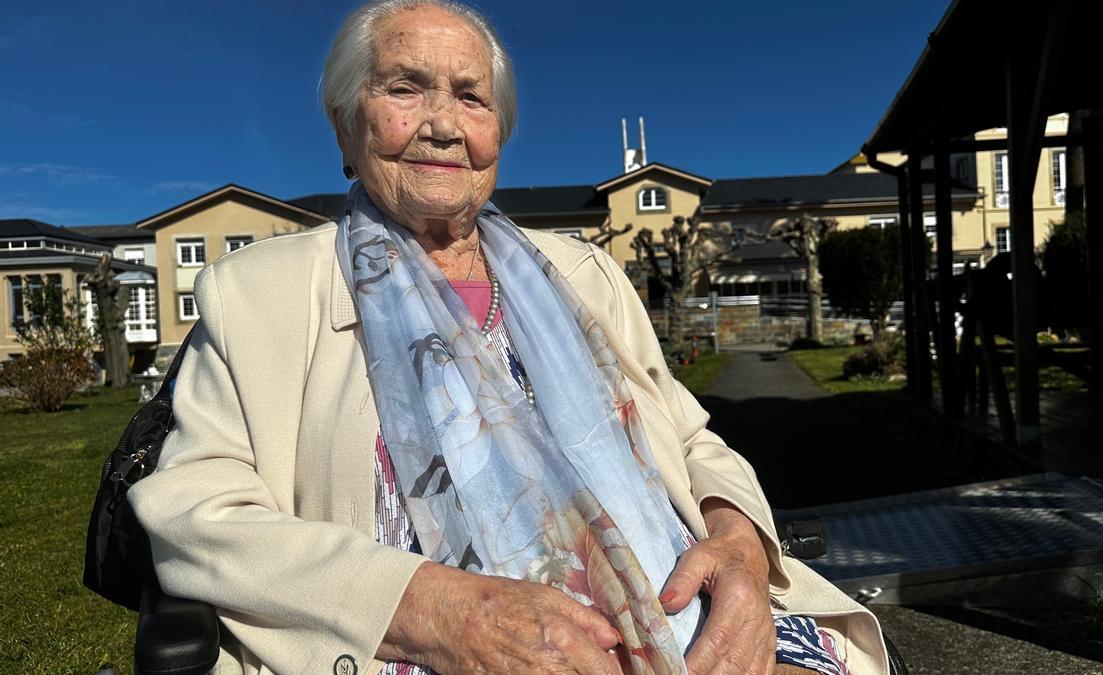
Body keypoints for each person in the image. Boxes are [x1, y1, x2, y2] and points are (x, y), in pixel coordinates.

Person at [128, 2, 887, 674]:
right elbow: (198, 509)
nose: (443, 124)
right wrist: (438, 609)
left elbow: (691, 441)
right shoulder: (265, 291)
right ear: (345, 124)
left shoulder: (583, 273)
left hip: (684, 618)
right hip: (429, 650)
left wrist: (740, 548)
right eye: (404, 87)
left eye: (470, 97)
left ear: (499, 132)